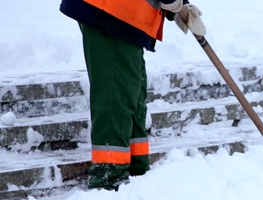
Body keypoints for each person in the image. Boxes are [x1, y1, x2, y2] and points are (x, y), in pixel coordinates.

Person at [59, 0, 206, 189]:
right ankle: (109, 174)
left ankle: (136, 167)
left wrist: (180, 7)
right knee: (116, 94)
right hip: (111, 10)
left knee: (132, 92)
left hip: (125, 14)